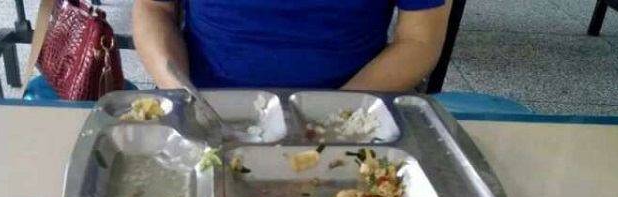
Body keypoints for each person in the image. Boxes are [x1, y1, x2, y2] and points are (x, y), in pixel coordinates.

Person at [133, 0, 450, 91]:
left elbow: (419, 41)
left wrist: (337, 114)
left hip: (353, 104)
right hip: (206, 102)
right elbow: (154, 7)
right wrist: (180, 93)